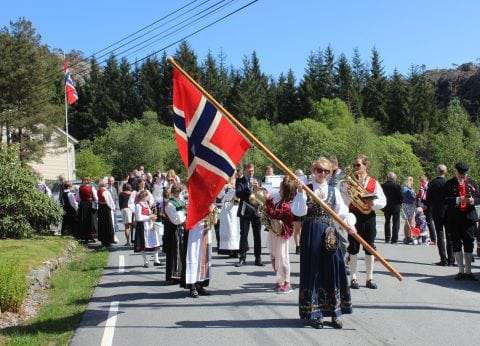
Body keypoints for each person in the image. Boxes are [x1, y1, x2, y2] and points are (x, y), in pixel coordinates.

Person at [292, 157, 357, 329]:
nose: (322, 174)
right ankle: (316, 313)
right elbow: (298, 211)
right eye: (319, 170)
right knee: (313, 271)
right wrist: (300, 192)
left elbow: (343, 212)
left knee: (334, 269)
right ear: (313, 170)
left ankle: (335, 313)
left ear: (330, 173)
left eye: (326, 171)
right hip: (311, 232)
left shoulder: (333, 191)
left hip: (329, 233)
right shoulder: (306, 188)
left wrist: (350, 224)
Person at [341, 154, 386, 290]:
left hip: (369, 216)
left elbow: (383, 201)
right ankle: (353, 278)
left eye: (358, 165)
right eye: (354, 165)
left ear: (366, 166)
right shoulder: (348, 183)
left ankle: (369, 278)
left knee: (369, 246)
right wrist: (347, 192)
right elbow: (344, 202)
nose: (355, 167)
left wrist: (373, 203)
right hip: (354, 215)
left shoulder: (374, 182)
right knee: (353, 247)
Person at [444, 162, 479, 280]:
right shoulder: (449, 183)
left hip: (469, 217)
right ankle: (460, 271)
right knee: (456, 243)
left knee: (469, 242)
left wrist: (472, 200)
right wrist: (458, 199)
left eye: (464, 174)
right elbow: (444, 199)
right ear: (456, 172)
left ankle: (468, 271)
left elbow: (479, 197)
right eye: (460, 174)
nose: (462, 176)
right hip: (454, 218)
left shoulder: (472, 183)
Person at [264, 176, 296, 294]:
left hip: (282, 235)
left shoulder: (287, 206)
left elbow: (274, 214)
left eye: (281, 189)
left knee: (283, 258)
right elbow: (272, 213)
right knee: (273, 256)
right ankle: (280, 279)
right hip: (274, 232)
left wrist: (267, 201)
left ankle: (288, 282)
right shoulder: (279, 202)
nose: (278, 191)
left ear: (285, 191)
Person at [180, 205, 217, 298]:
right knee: (193, 255)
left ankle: (200, 285)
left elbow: (214, 221)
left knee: (204, 257)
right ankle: (192, 286)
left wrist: (212, 211)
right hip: (194, 230)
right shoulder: (191, 198)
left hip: (205, 230)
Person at [235, 163, 264, 267]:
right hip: (245, 209)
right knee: (244, 235)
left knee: (257, 235)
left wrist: (258, 188)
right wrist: (248, 188)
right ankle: (242, 258)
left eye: (252, 171)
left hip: (256, 211)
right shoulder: (241, 180)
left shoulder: (258, 180)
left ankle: (258, 258)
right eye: (249, 171)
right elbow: (238, 193)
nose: (251, 173)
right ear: (245, 171)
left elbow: (262, 195)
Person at [425, 164, 451, 266]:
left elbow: (428, 200)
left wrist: (427, 206)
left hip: (437, 211)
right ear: (446, 172)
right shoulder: (449, 183)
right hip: (448, 211)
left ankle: (443, 259)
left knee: (440, 235)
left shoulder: (432, 183)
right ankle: (451, 259)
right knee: (449, 235)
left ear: (437, 171)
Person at [163, 182, 186, 283]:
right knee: (175, 252)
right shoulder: (170, 204)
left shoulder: (180, 201)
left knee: (181, 252)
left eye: (180, 192)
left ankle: (181, 274)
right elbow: (176, 220)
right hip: (173, 230)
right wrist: (186, 215)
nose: (179, 194)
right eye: (178, 192)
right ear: (174, 192)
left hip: (180, 228)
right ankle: (174, 275)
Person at [134, 190, 162, 267]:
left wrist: (152, 216)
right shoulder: (138, 205)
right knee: (144, 244)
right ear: (144, 197)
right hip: (143, 226)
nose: (149, 197)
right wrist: (149, 217)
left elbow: (148, 213)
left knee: (155, 242)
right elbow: (138, 217)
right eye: (148, 196)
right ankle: (145, 261)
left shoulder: (147, 203)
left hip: (150, 225)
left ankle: (156, 260)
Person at [217, 175, 240, 258]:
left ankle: (236, 250)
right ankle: (228, 250)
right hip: (226, 207)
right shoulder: (224, 184)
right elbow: (219, 196)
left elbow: (239, 195)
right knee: (227, 230)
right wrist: (224, 187)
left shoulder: (237, 183)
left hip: (234, 207)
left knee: (234, 229)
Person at [381, 172, 403, 244]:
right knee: (396, 222)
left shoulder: (382, 186)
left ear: (388, 178)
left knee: (387, 221)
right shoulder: (397, 186)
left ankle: (387, 238)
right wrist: (400, 203)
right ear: (394, 178)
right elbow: (400, 197)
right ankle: (394, 239)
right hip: (396, 206)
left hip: (386, 206)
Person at [77, 176, 98, 243]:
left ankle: (85, 237)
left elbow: (78, 198)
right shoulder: (92, 188)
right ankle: (92, 237)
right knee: (91, 220)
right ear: (88, 181)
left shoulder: (80, 188)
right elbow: (96, 198)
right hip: (90, 205)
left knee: (84, 220)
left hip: (83, 205)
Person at [293, 169, 308, 255]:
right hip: (296, 208)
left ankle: (303, 245)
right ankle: (297, 247)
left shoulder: (306, 184)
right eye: (297, 175)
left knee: (304, 229)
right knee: (297, 229)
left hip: (304, 207)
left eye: (300, 175)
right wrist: (296, 186)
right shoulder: (292, 184)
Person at [417, 175, 436, 244]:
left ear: (426, 179)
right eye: (421, 180)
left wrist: (427, 205)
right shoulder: (422, 186)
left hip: (429, 205)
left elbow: (432, 197)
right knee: (421, 221)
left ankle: (433, 239)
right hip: (422, 204)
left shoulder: (430, 185)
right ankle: (421, 237)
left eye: (422, 180)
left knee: (429, 222)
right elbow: (420, 196)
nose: (421, 182)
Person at [97, 181, 116, 247]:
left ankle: (103, 240)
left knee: (102, 224)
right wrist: (113, 207)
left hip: (101, 208)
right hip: (106, 208)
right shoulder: (106, 191)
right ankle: (108, 240)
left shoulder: (99, 190)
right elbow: (109, 201)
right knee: (107, 224)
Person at [401, 176, 417, 244]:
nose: (413, 182)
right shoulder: (406, 189)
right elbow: (411, 197)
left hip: (407, 205)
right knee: (409, 221)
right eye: (412, 181)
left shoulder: (406, 188)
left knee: (409, 221)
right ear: (409, 181)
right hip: (408, 205)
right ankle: (408, 236)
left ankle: (408, 236)